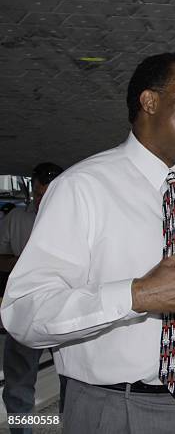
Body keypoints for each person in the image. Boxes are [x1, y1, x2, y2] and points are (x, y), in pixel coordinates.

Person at [1, 53, 175, 434]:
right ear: (150, 101)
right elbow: (24, 311)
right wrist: (136, 296)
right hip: (115, 410)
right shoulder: (82, 189)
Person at [0, 163, 65, 434]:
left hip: (64, 312)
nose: (42, 201)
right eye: (38, 195)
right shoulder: (16, 219)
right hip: (27, 310)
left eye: (48, 195)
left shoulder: (75, 219)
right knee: (18, 386)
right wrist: (24, 263)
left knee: (73, 383)